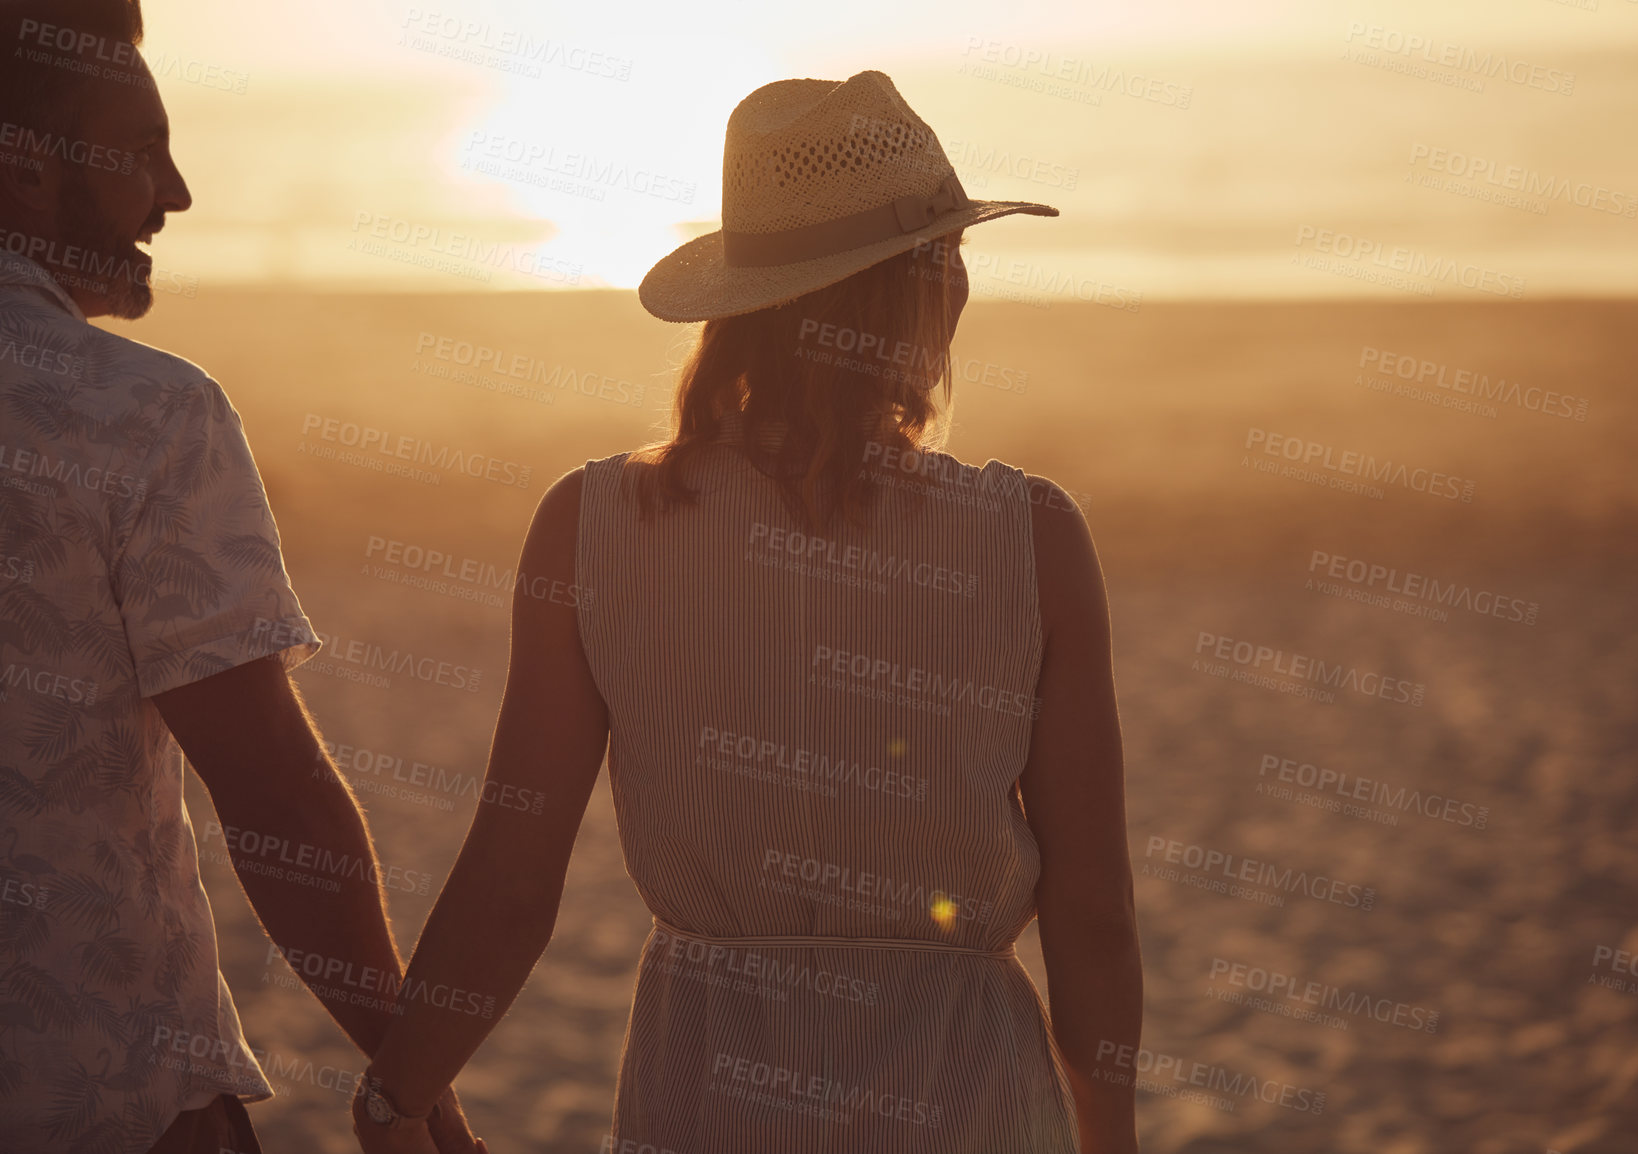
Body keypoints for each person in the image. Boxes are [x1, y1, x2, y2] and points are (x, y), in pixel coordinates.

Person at [357, 70, 1142, 1154]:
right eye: (949, 256)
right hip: (968, 1098)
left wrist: (396, 1094)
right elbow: (1092, 918)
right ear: (923, 293)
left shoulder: (590, 526)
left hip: (712, 1085)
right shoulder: (1032, 540)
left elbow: (510, 880)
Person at [0, 2, 483, 1150]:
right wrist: (414, 1083)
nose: (173, 192)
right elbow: (275, 798)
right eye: (139, 150)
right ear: (19, 173)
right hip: (103, 1096)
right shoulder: (143, 415)